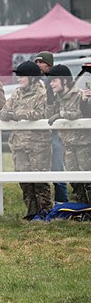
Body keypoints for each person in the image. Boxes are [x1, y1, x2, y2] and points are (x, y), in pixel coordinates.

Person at [0, 61, 51, 219]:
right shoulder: (16, 93)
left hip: (38, 145)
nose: (18, 79)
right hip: (19, 144)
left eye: (22, 76)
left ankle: (45, 212)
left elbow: (40, 114)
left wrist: (16, 115)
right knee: (24, 181)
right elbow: (4, 111)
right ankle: (31, 212)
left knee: (40, 181)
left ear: (32, 78)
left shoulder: (43, 93)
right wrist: (8, 115)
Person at [45, 64, 90, 204]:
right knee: (75, 182)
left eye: (54, 80)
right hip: (67, 145)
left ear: (64, 81)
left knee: (88, 181)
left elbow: (79, 113)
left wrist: (60, 115)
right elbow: (47, 118)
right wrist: (50, 101)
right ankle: (83, 210)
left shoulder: (79, 95)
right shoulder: (57, 98)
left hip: (83, 144)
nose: (51, 84)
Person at [34, 50, 69, 203]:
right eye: (36, 62)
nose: (38, 65)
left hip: (59, 133)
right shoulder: (39, 83)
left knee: (58, 167)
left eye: (40, 62)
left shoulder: (55, 84)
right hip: (45, 132)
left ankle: (62, 202)